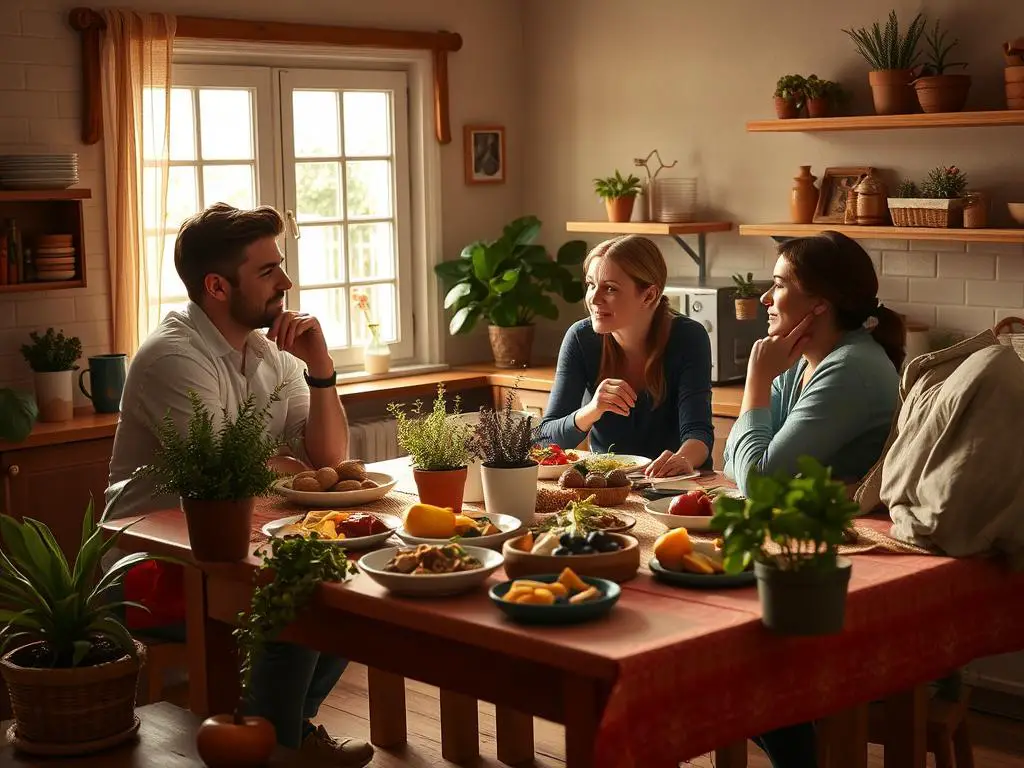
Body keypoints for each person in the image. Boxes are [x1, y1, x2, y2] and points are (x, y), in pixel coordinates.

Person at [105, 203, 373, 767]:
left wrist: (321, 368)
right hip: (155, 566)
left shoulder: (272, 350)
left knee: (353, 587)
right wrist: (280, 463)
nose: (287, 282)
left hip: (239, 544)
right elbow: (232, 475)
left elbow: (328, 458)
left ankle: (282, 736)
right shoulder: (174, 356)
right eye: (268, 271)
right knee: (298, 593)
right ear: (217, 286)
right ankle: (273, 748)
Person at [723, 230, 904, 768]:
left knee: (732, 662)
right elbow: (741, 467)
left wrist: (754, 385)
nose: (763, 297)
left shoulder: (851, 368)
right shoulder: (807, 360)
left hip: (853, 580)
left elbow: (757, 480)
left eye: (778, 284)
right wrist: (754, 444)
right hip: (809, 553)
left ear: (819, 303)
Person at [537, 235, 714, 477]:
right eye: (591, 285)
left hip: (676, 486)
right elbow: (544, 439)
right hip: (607, 487)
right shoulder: (580, 338)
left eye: (610, 288)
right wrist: (592, 410)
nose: (594, 299)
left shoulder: (688, 337)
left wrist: (682, 460)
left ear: (649, 295)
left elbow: (699, 433)